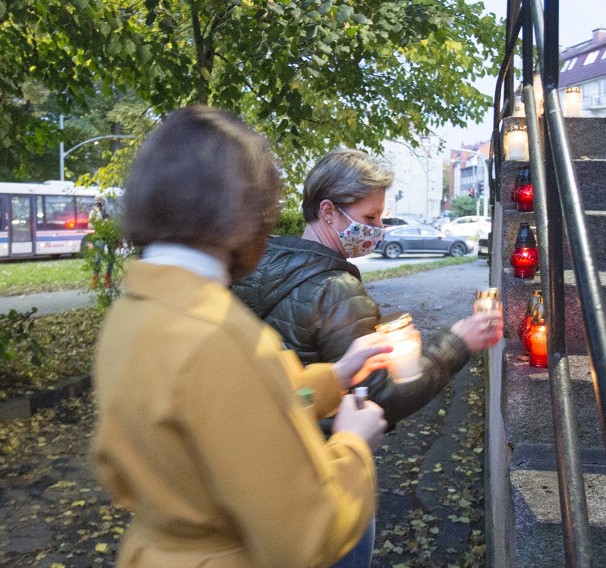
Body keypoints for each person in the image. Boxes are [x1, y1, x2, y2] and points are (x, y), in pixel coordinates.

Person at [91, 107, 390, 568]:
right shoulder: (221, 337)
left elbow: (228, 409)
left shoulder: (131, 314)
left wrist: (338, 374)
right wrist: (352, 443)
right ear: (243, 214)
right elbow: (305, 536)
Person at [232, 148, 502, 567]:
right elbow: (382, 397)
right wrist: (458, 342)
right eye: (370, 217)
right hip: (323, 473)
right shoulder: (336, 288)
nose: (378, 229)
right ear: (329, 212)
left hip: (256, 469)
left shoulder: (262, 265)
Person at [88, 194, 115, 289]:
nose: (99, 202)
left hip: (110, 235)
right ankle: (95, 279)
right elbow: (90, 225)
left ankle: (108, 278)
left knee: (111, 257)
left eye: (100, 200)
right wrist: (101, 225)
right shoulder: (94, 212)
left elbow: (115, 222)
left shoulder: (110, 210)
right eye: (97, 201)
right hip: (100, 236)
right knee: (98, 258)